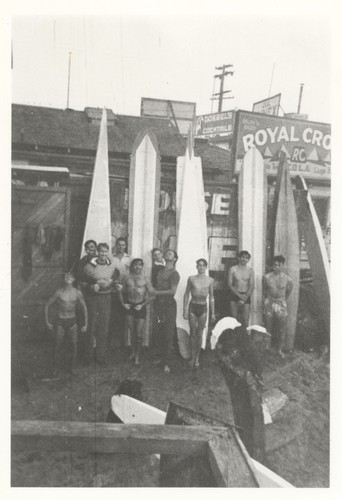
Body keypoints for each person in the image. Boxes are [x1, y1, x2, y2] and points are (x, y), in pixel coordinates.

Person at [45, 273, 88, 377]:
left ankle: (72, 368)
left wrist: (86, 324)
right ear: (63, 279)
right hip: (60, 321)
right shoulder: (59, 292)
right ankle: (55, 369)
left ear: (73, 279)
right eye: (65, 277)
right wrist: (47, 321)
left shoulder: (77, 292)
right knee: (57, 345)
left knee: (74, 345)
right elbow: (47, 305)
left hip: (72, 321)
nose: (67, 278)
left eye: (70, 276)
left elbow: (84, 308)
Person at [84, 242, 120, 366]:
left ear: (107, 252)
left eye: (105, 251)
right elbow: (83, 281)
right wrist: (94, 283)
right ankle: (88, 357)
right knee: (91, 326)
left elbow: (116, 274)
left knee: (103, 328)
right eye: (101, 251)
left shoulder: (111, 264)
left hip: (106, 298)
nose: (103, 254)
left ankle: (101, 357)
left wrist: (113, 281)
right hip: (93, 298)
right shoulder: (90, 265)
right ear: (97, 252)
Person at [118, 259, 155, 365]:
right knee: (131, 330)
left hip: (140, 306)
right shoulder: (126, 278)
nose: (137, 267)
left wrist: (142, 305)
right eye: (135, 265)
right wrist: (123, 304)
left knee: (138, 333)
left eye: (139, 265)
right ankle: (133, 352)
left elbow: (153, 295)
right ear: (132, 266)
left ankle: (137, 356)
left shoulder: (145, 279)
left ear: (142, 267)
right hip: (129, 306)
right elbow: (120, 291)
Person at [183, 259, 215, 368]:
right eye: (199, 265)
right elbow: (186, 294)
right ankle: (192, 357)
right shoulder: (191, 279)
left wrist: (213, 313)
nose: (201, 267)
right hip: (193, 306)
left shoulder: (210, 280)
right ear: (196, 267)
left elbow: (211, 297)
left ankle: (197, 358)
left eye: (203, 265)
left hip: (203, 307)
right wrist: (184, 309)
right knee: (192, 332)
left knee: (200, 333)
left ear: (206, 267)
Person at [153, 250, 180, 373]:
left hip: (169, 305)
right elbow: (156, 288)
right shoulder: (160, 272)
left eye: (170, 254)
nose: (167, 254)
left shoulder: (174, 274)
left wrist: (157, 293)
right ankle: (160, 357)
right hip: (159, 304)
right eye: (167, 253)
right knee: (159, 330)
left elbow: (172, 291)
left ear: (174, 259)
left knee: (168, 333)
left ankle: (167, 363)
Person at [263, 255, 294, 358]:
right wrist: (268, 300)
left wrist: (281, 300)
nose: (276, 267)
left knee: (281, 328)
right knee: (268, 326)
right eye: (275, 264)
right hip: (269, 302)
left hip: (281, 304)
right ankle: (267, 347)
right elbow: (265, 290)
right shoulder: (266, 277)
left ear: (282, 265)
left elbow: (288, 292)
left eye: (279, 265)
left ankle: (279, 349)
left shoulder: (288, 279)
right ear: (272, 265)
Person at [75, 239, 97, 365]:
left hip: (98, 295)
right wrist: (91, 282)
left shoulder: (100, 259)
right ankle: (86, 354)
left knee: (96, 324)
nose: (90, 249)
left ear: (96, 248)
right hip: (86, 295)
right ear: (85, 249)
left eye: (92, 247)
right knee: (86, 323)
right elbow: (79, 276)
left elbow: (113, 271)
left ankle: (96, 353)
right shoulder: (82, 261)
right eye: (88, 247)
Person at [110, 237, 132, 348]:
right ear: (115, 245)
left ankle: (122, 346)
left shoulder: (130, 259)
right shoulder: (110, 257)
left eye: (123, 245)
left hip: (125, 292)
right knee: (112, 318)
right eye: (118, 244)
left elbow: (132, 276)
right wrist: (113, 283)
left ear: (125, 246)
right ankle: (112, 345)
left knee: (124, 318)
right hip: (112, 291)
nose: (120, 247)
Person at [228, 250, 254, 328]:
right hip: (234, 295)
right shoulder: (232, 269)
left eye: (246, 258)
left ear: (248, 260)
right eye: (243, 257)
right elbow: (230, 284)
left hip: (246, 295)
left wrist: (244, 298)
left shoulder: (250, 270)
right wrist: (239, 296)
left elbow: (251, 285)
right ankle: (234, 339)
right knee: (234, 320)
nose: (244, 259)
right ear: (239, 258)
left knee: (245, 320)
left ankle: (244, 339)